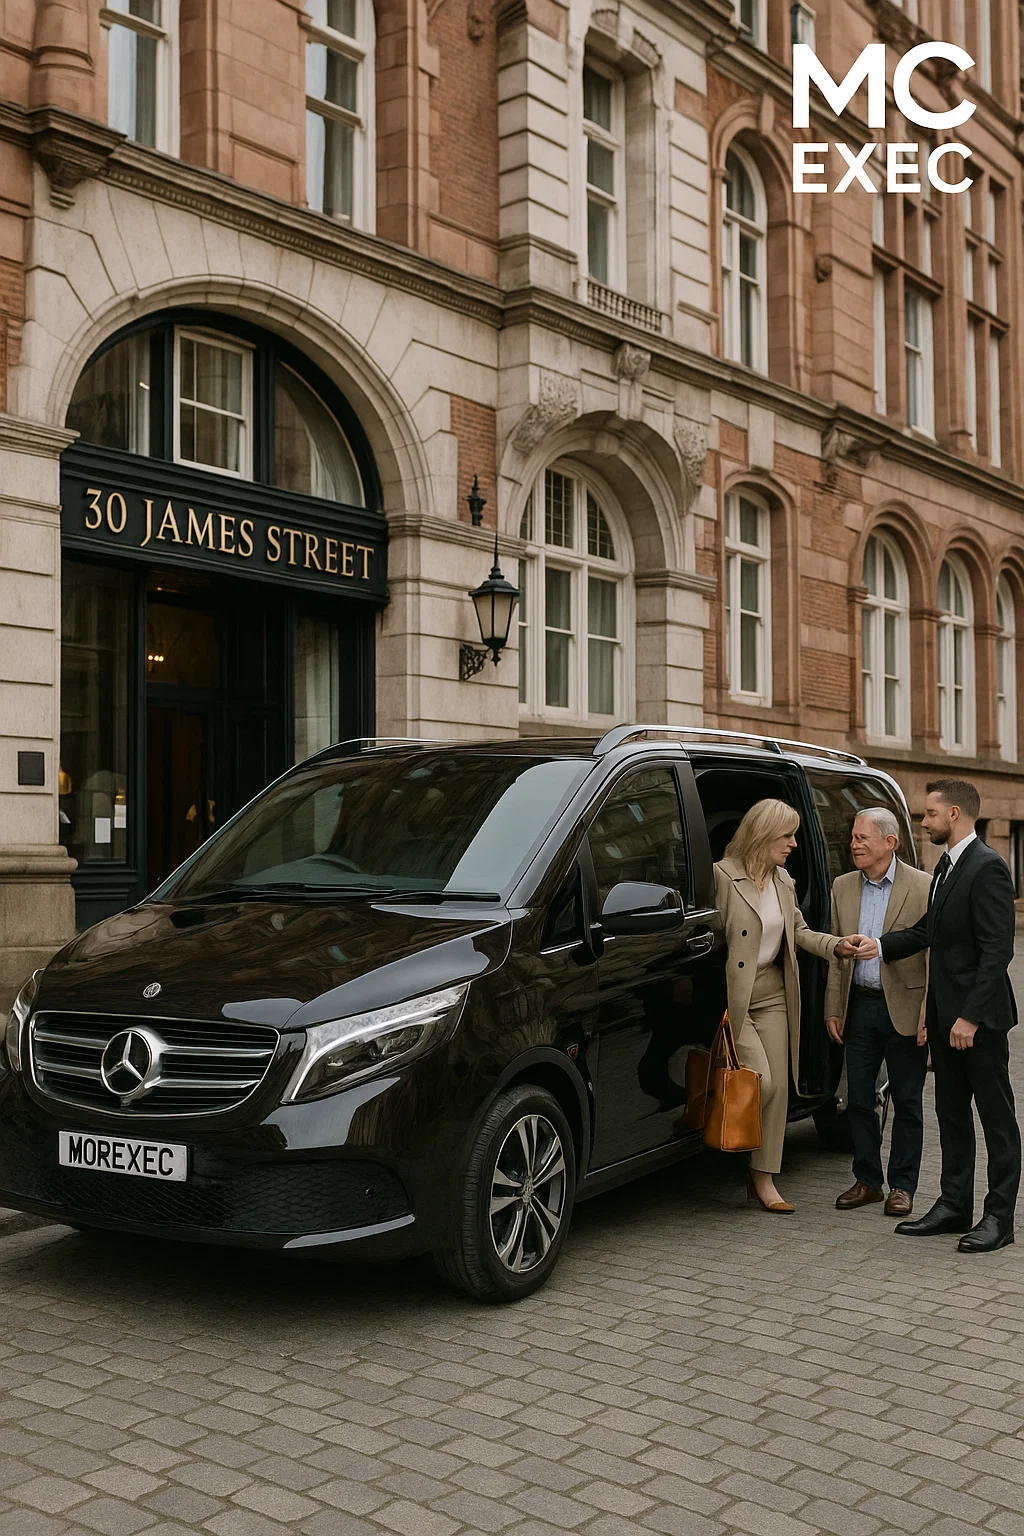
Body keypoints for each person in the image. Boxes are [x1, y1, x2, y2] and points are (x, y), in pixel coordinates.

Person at [852, 779, 1020, 1253]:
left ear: (955, 815)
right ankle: (953, 1206)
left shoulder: (987, 867)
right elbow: (929, 931)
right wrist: (879, 946)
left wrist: (969, 1017)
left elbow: (997, 950)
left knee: (997, 1120)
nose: (922, 822)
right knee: (950, 1116)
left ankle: (999, 1218)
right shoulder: (945, 866)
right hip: (946, 1022)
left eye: (928, 814)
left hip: (977, 1024)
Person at [715, 799, 859, 1213]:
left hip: (775, 993)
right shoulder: (723, 876)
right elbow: (710, 935)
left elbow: (798, 931)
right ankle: (743, 1159)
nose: (795, 843)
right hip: (738, 995)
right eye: (787, 835)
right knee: (764, 1082)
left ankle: (763, 1177)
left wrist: (836, 946)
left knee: (781, 1088)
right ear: (763, 835)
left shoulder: (783, 881)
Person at [825, 808, 932, 1218]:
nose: (854, 844)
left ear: (890, 842)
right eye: (853, 837)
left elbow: (930, 953)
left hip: (905, 1008)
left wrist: (928, 1010)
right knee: (857, 1100)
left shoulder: (922, 886)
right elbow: (837, 955)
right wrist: (834, 1007)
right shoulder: (842, 887)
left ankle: (903, 1186)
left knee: (906, 1102)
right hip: (859, 1006)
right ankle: (867, 1180)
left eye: (863, 837)